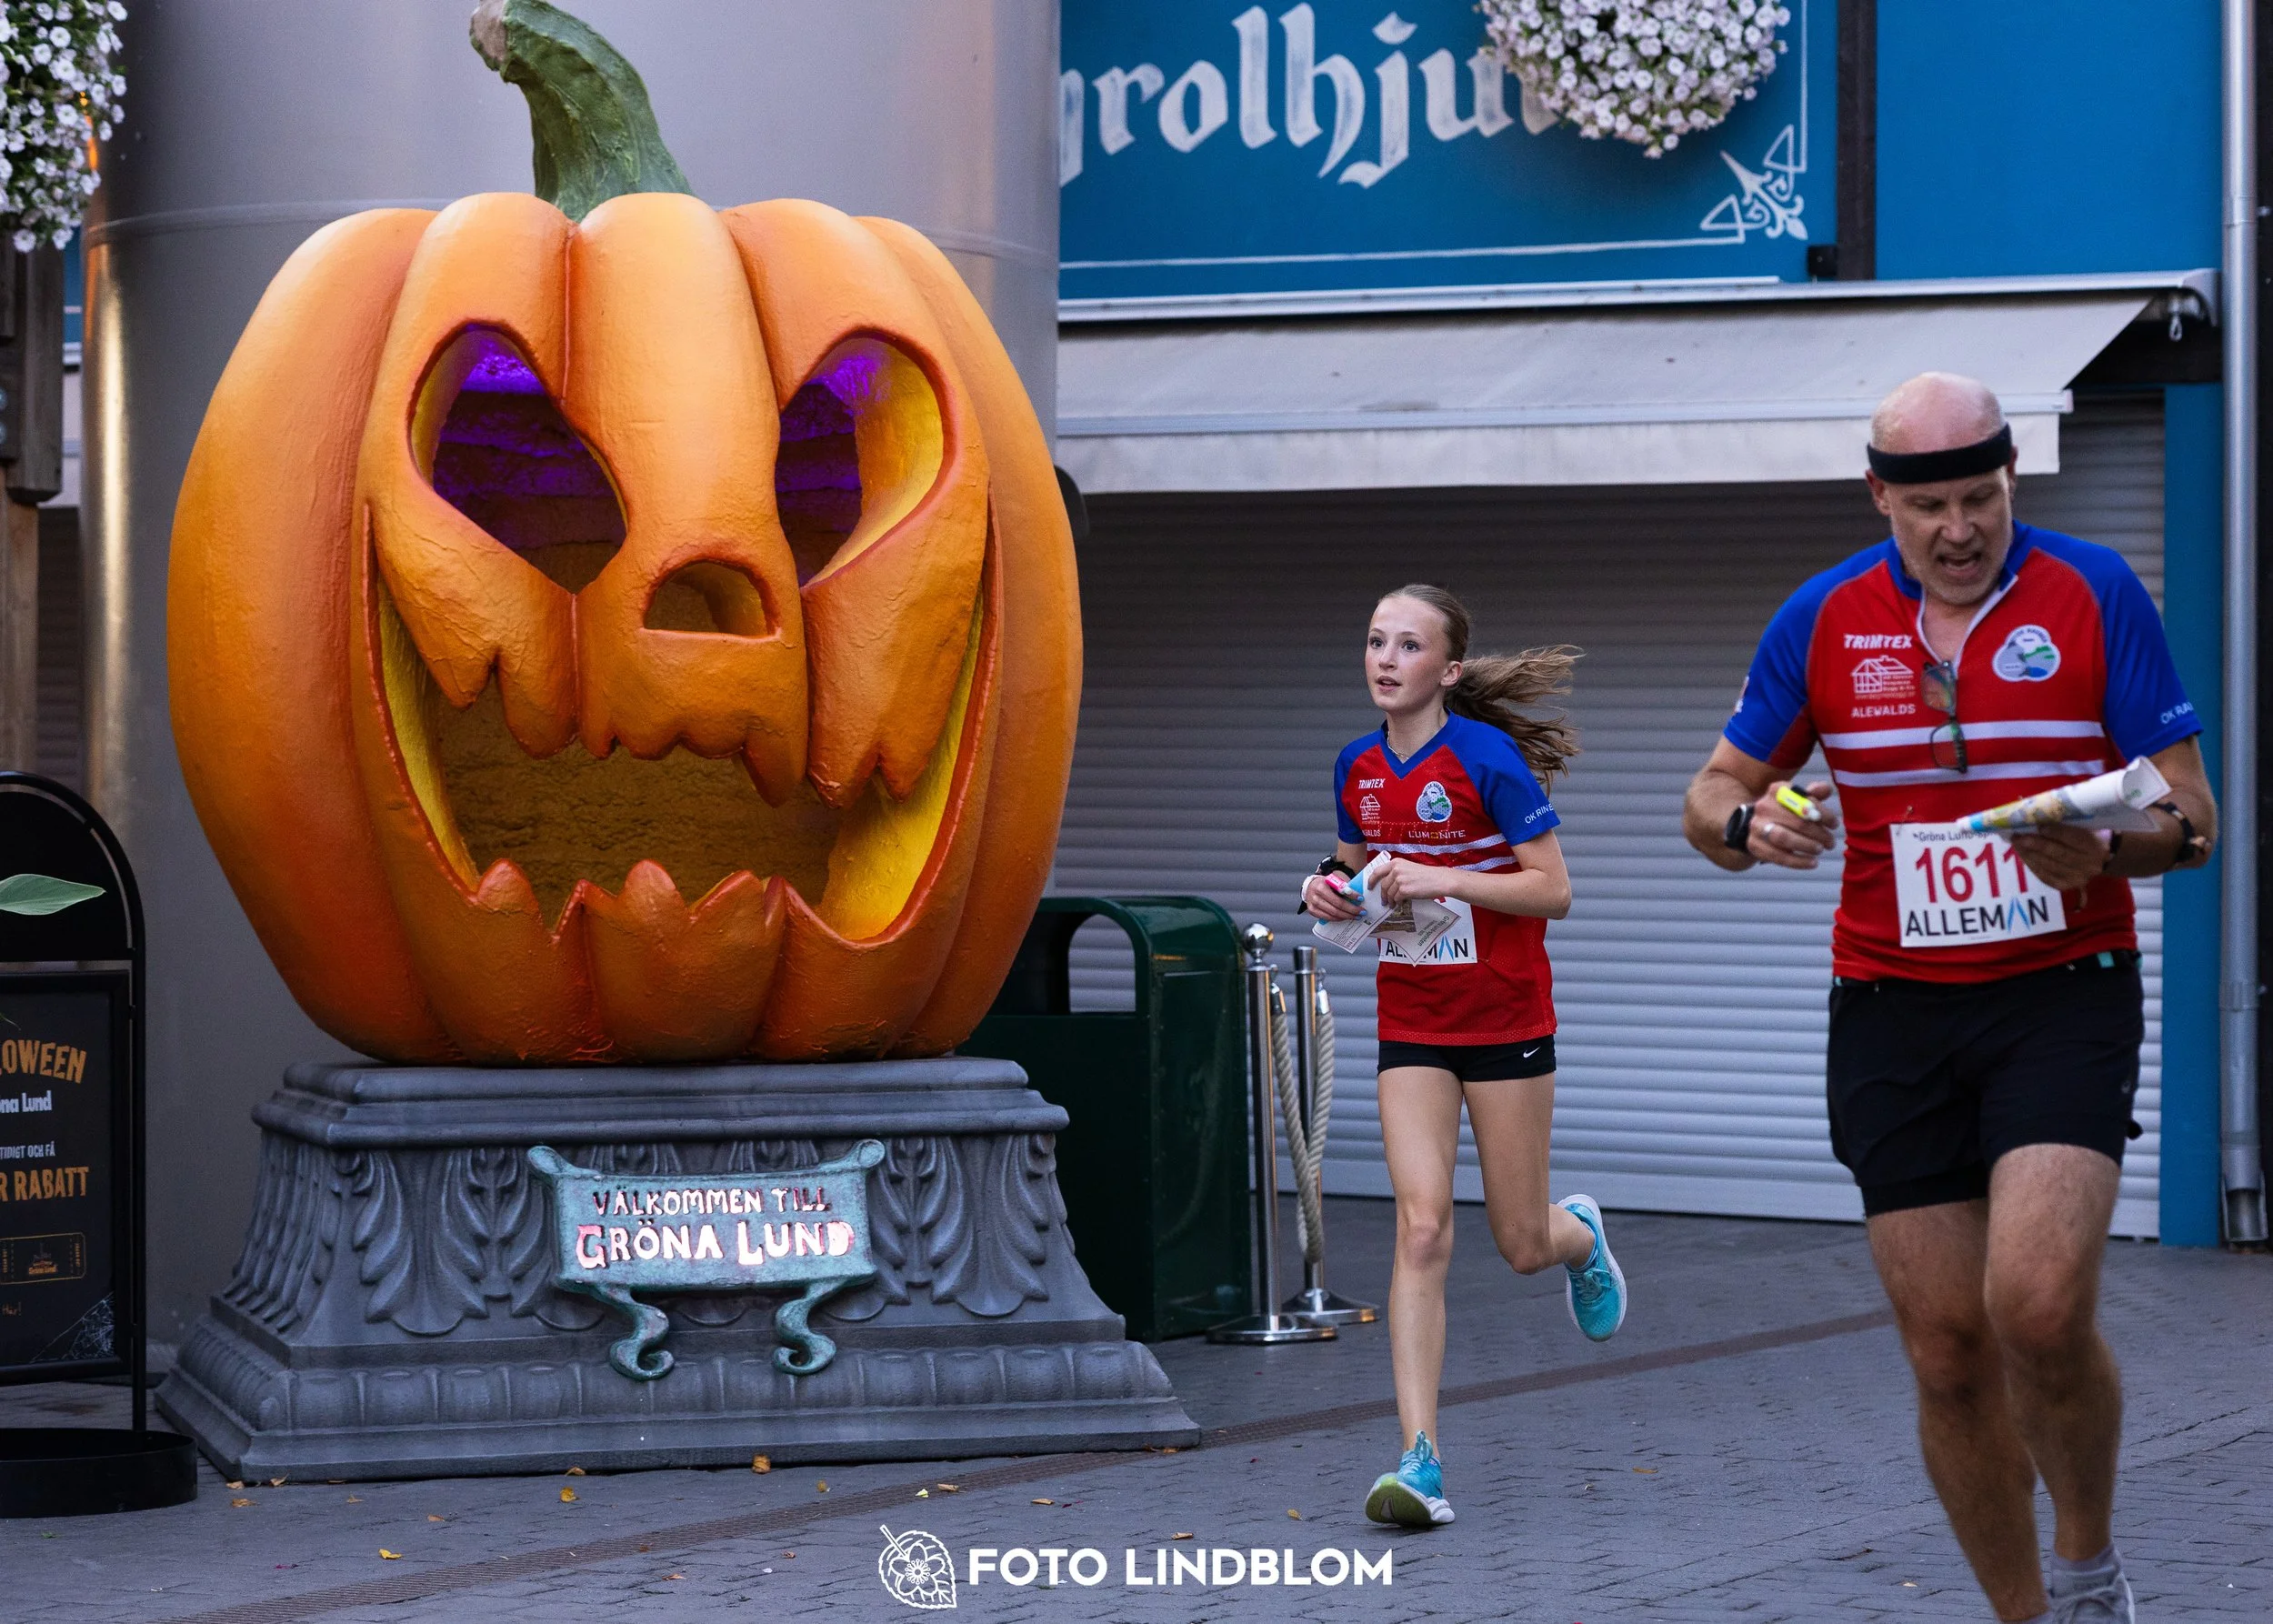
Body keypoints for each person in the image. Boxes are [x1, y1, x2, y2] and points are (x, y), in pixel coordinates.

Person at [1681, 374, 2215, 1623]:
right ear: (1880, 496)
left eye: (1981, 497)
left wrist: (2116, 849)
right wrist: (1755, 821)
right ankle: (2024, 1612)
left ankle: (2087, 1567)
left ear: (2013, 478)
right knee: (1946, 1348)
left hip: (2060, 991)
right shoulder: (1822, 617)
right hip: (1890, 1006)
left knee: (2032, 1305)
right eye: (1929, 505)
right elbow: (1707, 795)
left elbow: (2192, 816)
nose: (1960, 528)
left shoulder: (2092, 592)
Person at [1302, 583, 1627, 1531]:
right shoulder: (1356, 766)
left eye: (1406, 645)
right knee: (1421, 1228)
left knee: (1519, 1242)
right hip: (1412, 1022)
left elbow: (1553, 890)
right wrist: (1323, 889)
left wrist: (1441, 873)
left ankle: (1579, 1236)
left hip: (1506, 1020)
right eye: (1373, 641)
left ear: (1444, 670)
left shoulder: (1486, 760)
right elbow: (1352, 871)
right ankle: (1420, 1459)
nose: (1384, 658)